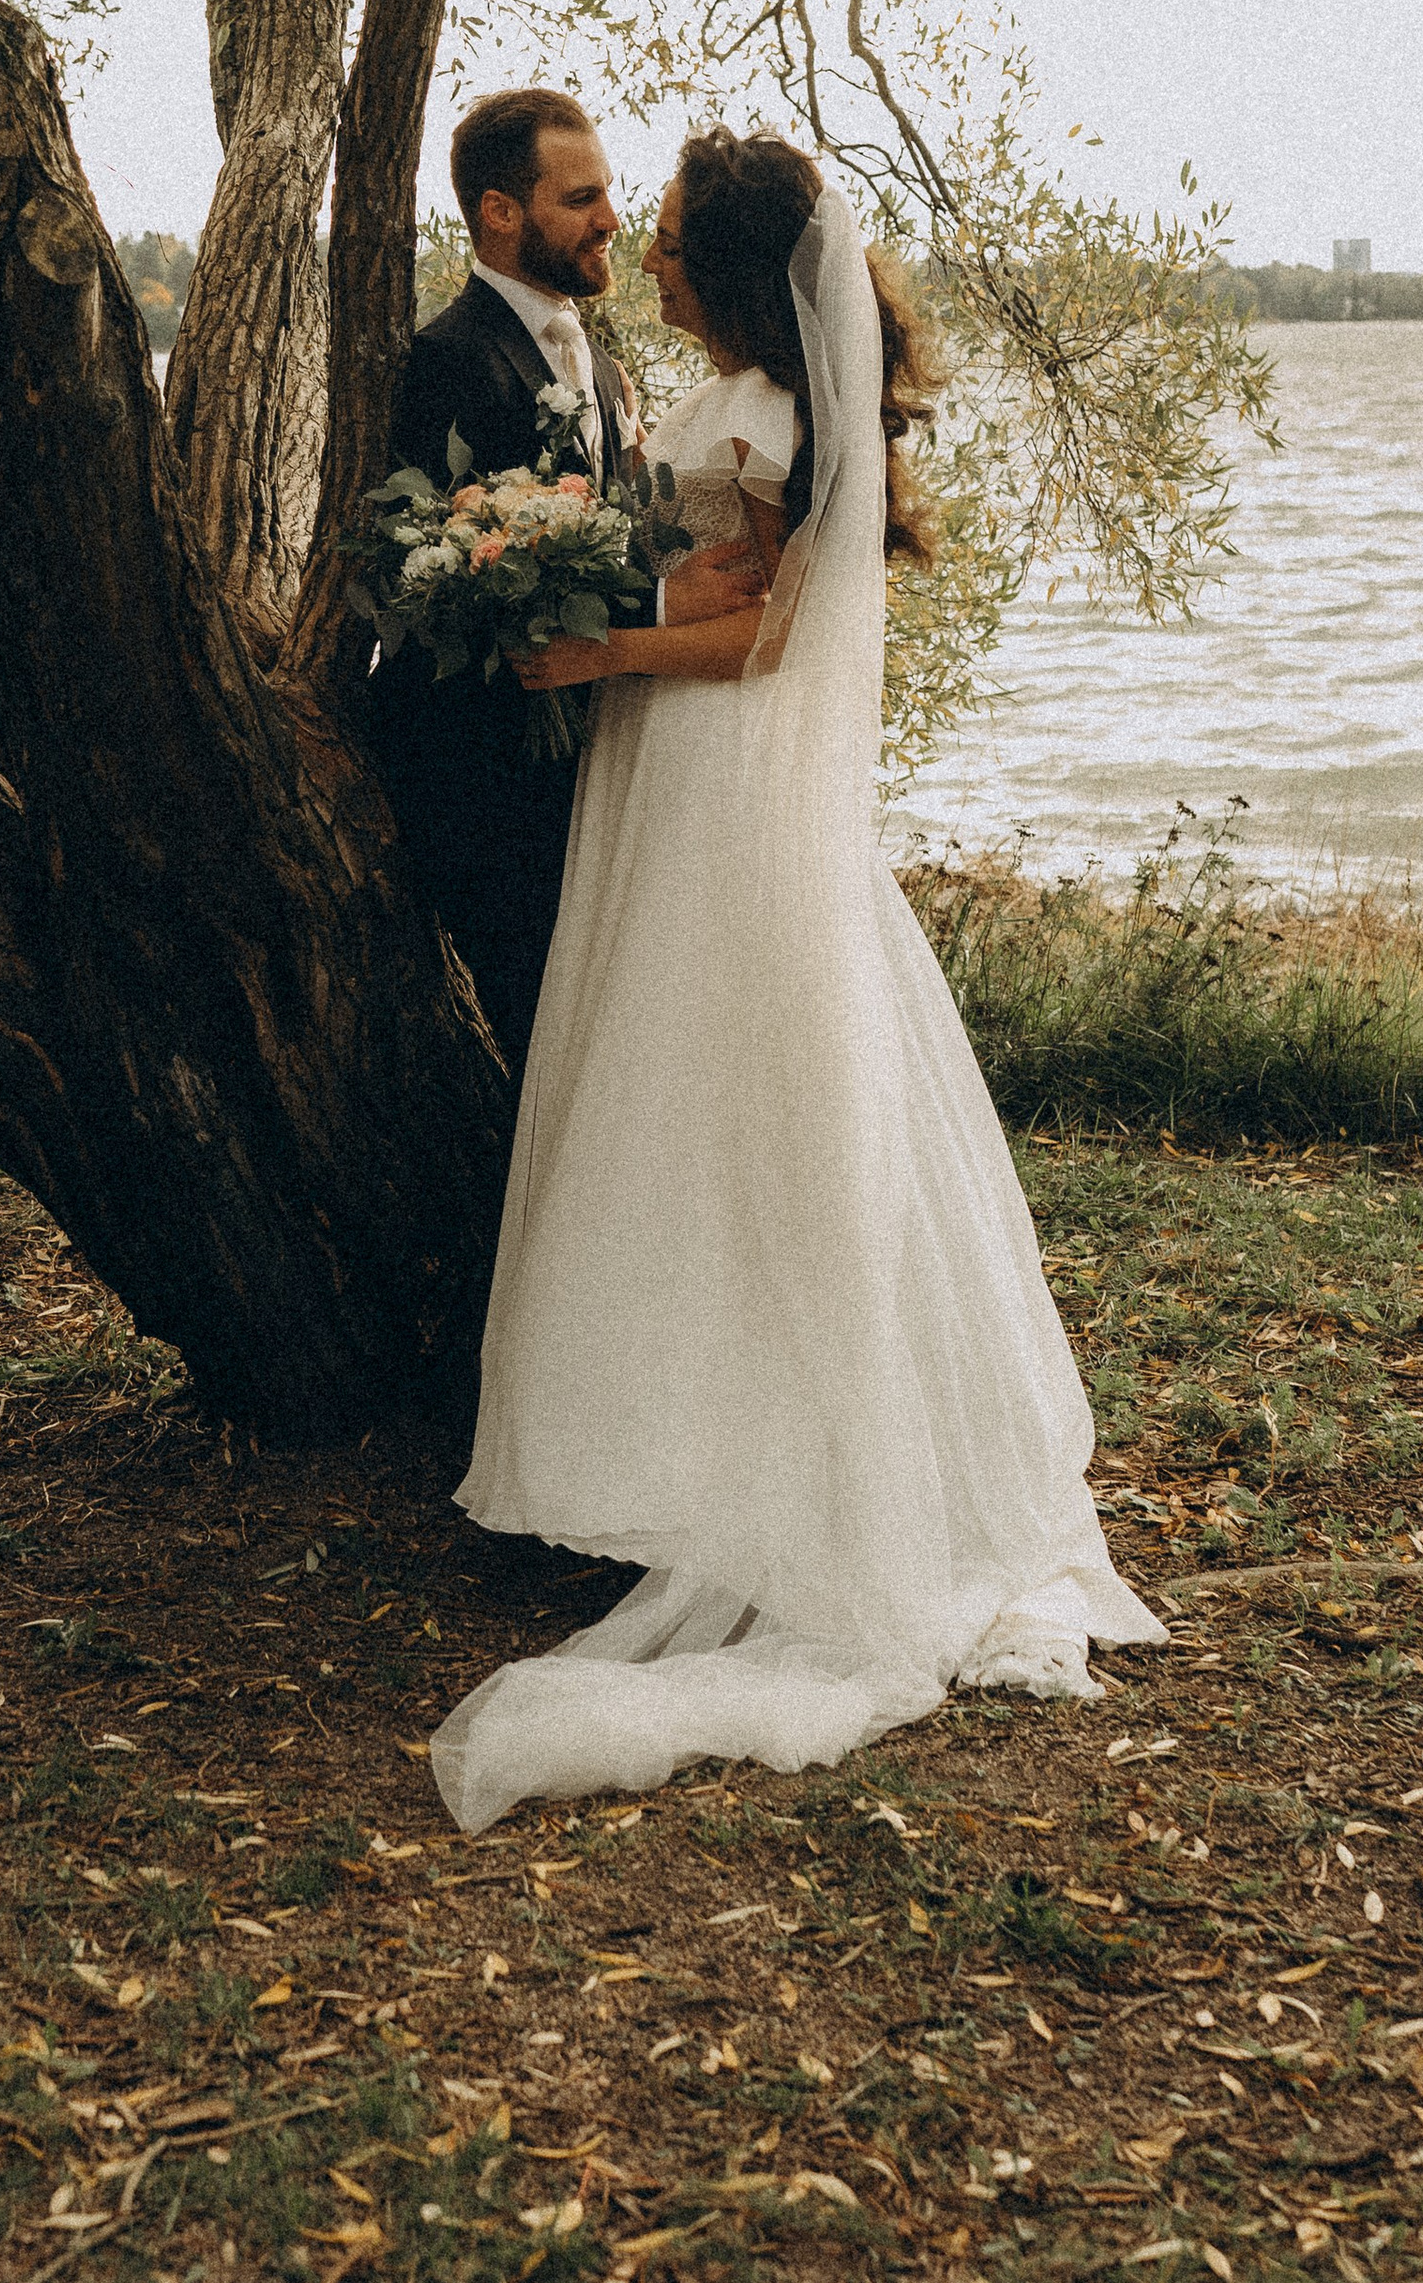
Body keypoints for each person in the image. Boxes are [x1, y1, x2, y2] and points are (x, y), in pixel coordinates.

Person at [428, 129, 1163, 1836]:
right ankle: (678, 1460)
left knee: (718, 1091)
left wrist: (597, 642)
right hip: (671, 775)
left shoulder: (761, 420)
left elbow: (756, 635)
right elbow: (702, 580)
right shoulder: (727, 402)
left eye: (676, 238)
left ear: (745, 273)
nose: (655, 256)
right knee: (677, 1095)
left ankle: (761, 1477)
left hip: (712, 769)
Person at [370, 91, 640, 1086]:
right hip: (485, 777)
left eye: (607, 192)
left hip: (585, 756)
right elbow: (405, 571)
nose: (610, 217)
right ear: (499, 212)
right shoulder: (441, 358)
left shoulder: (596, 362)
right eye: (582, 198)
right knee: (540, 1039)